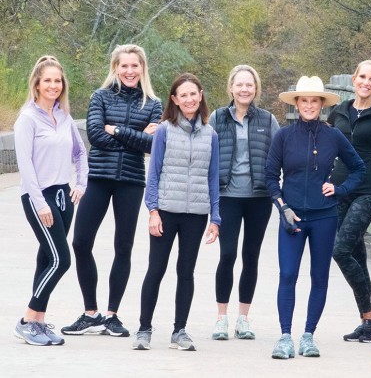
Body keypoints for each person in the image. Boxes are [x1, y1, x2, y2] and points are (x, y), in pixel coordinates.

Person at [62, 44, 162, 338]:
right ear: (115, 68)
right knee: (80, 242)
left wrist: (116, 130)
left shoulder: (153, 104)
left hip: (131, 181)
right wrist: (137, 136)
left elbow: (151, 146)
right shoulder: (100, 96)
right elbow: (95, 135)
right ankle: (90, 312)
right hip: (99, 177)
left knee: (124, 247)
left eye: (135, 66)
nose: (130, 71)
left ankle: (112, 315)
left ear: (142, 68)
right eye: (124, 66)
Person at [265, 76, 365, 359]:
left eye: (314, 101)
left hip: (324, 216)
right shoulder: (283, 136)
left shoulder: (333, 136)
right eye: (304, 100)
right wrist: (283, 207)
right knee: (287, 274)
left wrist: (340, 189)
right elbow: (271, 176)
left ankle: (308, 335)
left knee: (319, 276)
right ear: (296, 103)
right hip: (292, 216)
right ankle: (285, 336)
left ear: (322, 104)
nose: (309, 105)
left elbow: (359, 168)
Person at [132, 73, 221, 351]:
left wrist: (215, 217)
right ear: (174, 99)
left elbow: (213, 178)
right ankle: (144, 328)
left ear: (201, 95)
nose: (189, 99)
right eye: (183, 95)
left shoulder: (211, 135)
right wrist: (153, 210)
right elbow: (154, 172)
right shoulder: (164, 131)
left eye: (193, 93)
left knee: (186, 271)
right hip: (166, 211)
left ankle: (179, 330)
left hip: (195, 214)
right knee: (156, 269)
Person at [13, 56, 88, 346]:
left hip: (63, 195)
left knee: (46, 257)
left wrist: (80, 183)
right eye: (48, 80)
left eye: (58, 81)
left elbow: (80, 153)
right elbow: (25, 165)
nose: (53, 85)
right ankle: (27, 320)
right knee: (61, 260)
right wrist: (40, 204)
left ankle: (39, 323)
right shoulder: (27, 119)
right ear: (37, 84)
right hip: (39, 197)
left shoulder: (64, 115)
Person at [327, 60, 371, 343]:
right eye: (362, 77)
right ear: (354, 79)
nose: (366, 83)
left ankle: (370, 313)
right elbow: (323, 148)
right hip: (340, 189)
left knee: (340, 249)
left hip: (368, 189)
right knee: (356, 253)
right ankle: (367, 323)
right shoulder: (339, 112)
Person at [208, 65, 279, 340]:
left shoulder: (267, 119)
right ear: (231, 88)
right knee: (227, 255)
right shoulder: (217, 118)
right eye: (240, 85)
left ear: (256, 89)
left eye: (249, 85)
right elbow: (207, 155)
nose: (244, 89)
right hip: (227, 196)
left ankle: (243, 318)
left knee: (251, 257)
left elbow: (278, 156)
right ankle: (221, 318)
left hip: (258, 199)